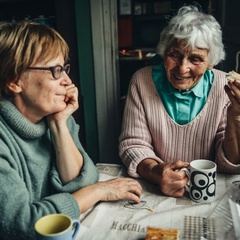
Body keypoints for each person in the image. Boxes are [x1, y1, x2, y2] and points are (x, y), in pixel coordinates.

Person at [0, 21, 142, 240]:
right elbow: (24, 225)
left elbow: (82, 182)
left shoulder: (54, 115)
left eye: (64, 69)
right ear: (14, 81)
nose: (68, 81)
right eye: (55, 71)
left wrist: (58, 124)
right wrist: (99, 191)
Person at [119, 5, 240, 199]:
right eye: (174, 55)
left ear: (211, 62)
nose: (182, 68)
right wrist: (157, 172)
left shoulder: (224, 87)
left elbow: (229, 164)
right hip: (155, 189)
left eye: (195, 58)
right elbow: (133, 145)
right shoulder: (142, 80)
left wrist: (236, 117)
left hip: (207, 194)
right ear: (164, 51)